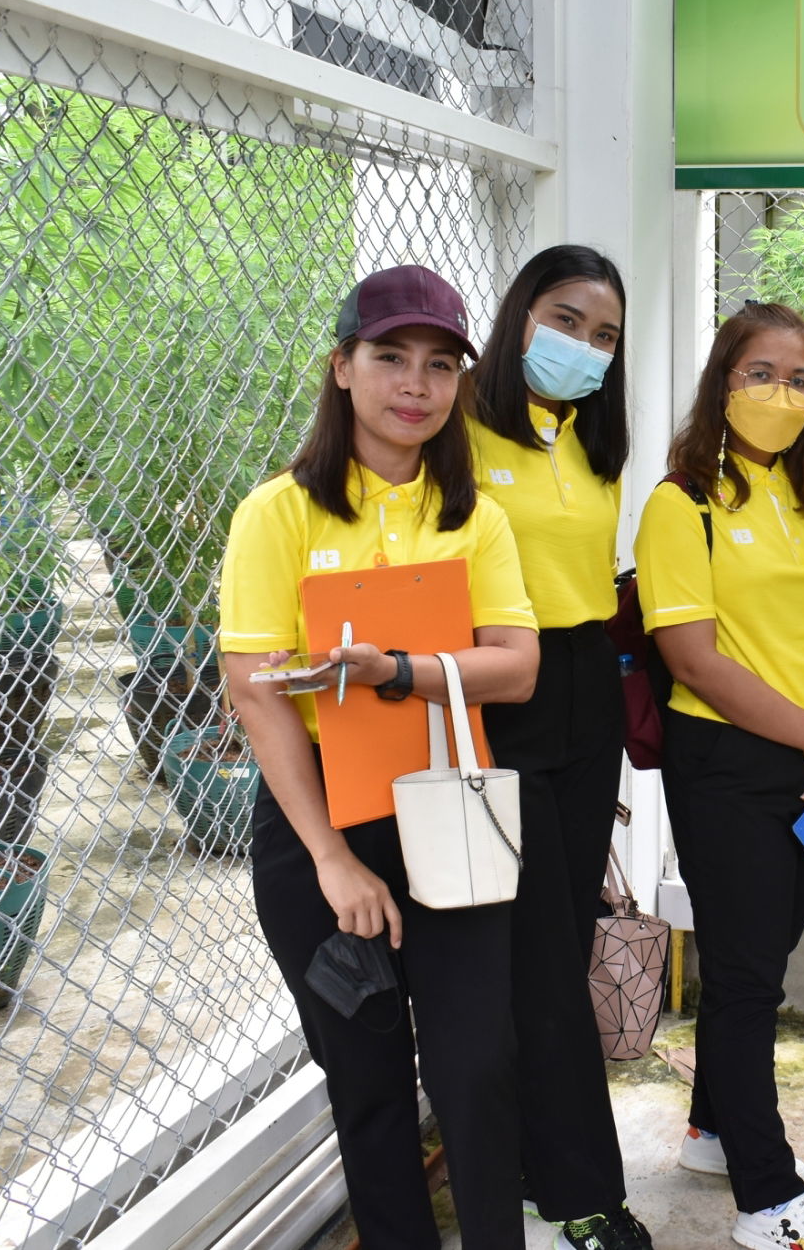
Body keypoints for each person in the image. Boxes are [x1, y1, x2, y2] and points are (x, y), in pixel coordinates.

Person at [219, 264, 541, 1249]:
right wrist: (331, 857)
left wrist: (395, 670)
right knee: (364, 1083)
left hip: (449, 818)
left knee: (475, 1069)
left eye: (440, 365)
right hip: (322, 829)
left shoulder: (471, 517)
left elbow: (518, 668)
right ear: (342, 368)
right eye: (391, 357)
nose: (416, 384)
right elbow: (255, 694)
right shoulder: (279, 513)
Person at [634, 301, 804, 1250]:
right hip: (727, 762)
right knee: (745, 978)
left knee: (757, 957)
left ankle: (710, 1129)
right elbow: (695, 660)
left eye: (799, 378)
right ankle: (768, 1198)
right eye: (758, 373)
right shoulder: (680, 500)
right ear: (721, 381)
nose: (781, 393)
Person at [462, 244, 653, 1248]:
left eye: (605, 335)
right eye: (567, 321)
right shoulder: (457, 426)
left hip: (588, 699)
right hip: (502, 700)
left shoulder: (591, 442)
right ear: (520, 315)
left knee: (561, 943)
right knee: (537, 958)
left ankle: (543, 1162)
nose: (585, 346)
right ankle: (579, 1189)